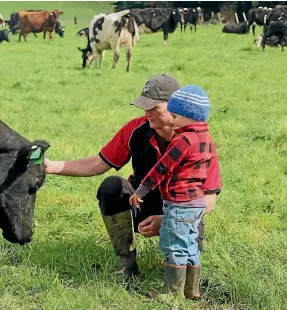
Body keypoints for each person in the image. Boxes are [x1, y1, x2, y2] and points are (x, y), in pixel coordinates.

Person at [44, 74, 221, 287]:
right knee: (112, 187)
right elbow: (98, 163)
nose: (147, 113)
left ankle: (184, 284)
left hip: (181, 209)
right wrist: (51, 166)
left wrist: (166, 220)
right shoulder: (137, 129)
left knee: (193, 226)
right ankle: (125, 262)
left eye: (153, 107)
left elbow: (209, 200)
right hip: (141, 202)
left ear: (174, 105)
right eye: (144, 107)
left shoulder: (199, 140)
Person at [129, 85, 216, 299]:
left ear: (188, 115)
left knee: (172, 245)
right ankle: (191, 289)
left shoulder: (182, 140)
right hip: (197, 202)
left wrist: (141, 190)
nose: (173, 120)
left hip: (179, 202)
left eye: (175, 116)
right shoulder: (206, 138)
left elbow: (161, 168)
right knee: (189, 242)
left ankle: (171, 292)